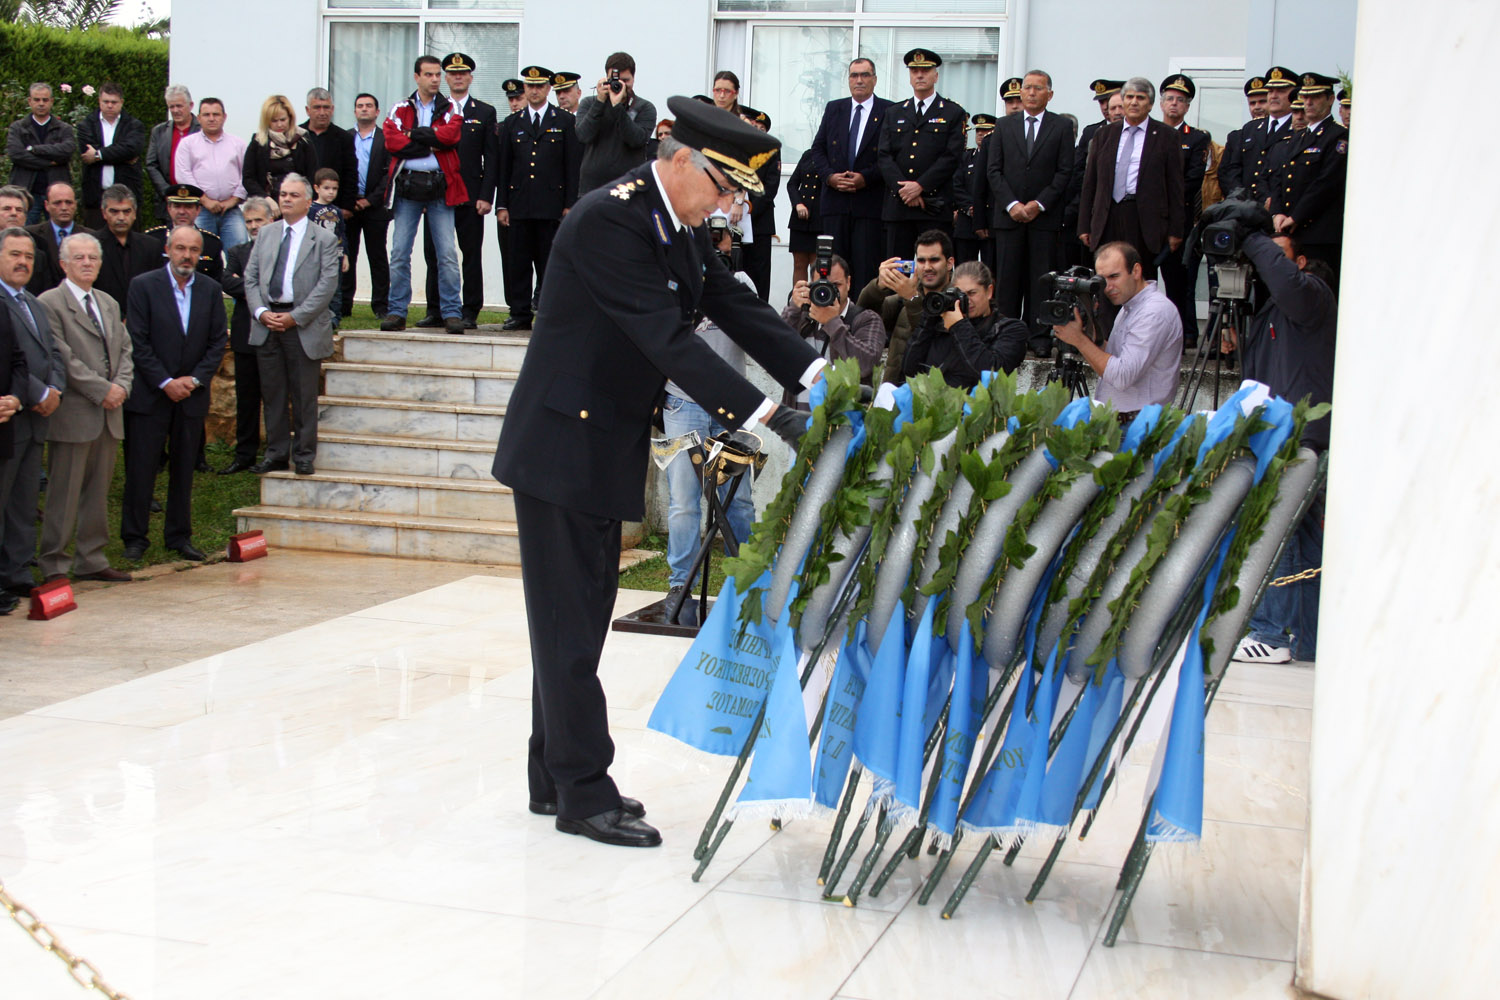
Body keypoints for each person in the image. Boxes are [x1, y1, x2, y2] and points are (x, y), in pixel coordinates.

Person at [491, 98, 824, 849]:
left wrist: (818, 373)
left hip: (594, 445)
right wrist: (771, 417)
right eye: (724, 188)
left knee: (572, 623)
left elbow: (730, 303)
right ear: (680, 162)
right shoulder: (612, 220)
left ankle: (553, 775)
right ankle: (584, 792)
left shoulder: (674, 220)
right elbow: (668, 339)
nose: (728, 207)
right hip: (561, 449)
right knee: (571, 627)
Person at [1214, 216, 1334, 664]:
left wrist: (1251, 236)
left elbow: (1287, 284)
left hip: (1298, 439)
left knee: (1272, 529)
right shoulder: (1274, 312)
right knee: (1301, 541)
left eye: (1275, 257)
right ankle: (1307, 638)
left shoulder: (1313, 295)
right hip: (1285, 438)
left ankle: (1272, 632)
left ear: (1299, 263)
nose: (1266, 264)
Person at [660, 219, 759, 623]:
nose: (716, 246)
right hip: (683, 403)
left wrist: (722, 290)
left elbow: (753, 334)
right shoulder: (672, 280)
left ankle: (748, 584)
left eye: (721, 239)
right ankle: (680, 585)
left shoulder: (741, 281)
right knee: (684, 502)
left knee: (740, 502)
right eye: (708, 239)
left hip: (731, 407)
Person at [120, 225, 226, 562]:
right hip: (151, 395)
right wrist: (166, 382)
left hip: (191, 396)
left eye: (193, 250)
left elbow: (216, 342)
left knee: (183, 470)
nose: (187, 256)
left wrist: (193, 381)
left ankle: (179, 536)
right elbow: (138, 341)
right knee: (141, 468)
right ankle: (135, 537)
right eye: (180, 248)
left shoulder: (210, 290)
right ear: (167, 249)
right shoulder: (143, 286)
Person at [36, 233, 134, 585]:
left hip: (109, 414)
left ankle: (91, 559)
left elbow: (125, 349)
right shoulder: (49, 303)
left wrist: (121, 386)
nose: (87, 263)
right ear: (64, 264)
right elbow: (62, 357)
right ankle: (54, 564)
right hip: (75, 414)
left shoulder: (108, 302)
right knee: (63, 494)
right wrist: (101, 390)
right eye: (79, 257)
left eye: (93, 257)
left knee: (97, 493)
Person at [244, 173, 341, 478]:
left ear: (308, 202)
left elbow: (327, 285)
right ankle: (275, 454)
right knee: (272, 394)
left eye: (293, 195)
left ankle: (303, 454)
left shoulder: (323, 239)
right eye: (283, 194)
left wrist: (295, 317)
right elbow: (251, 278)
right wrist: (261, 312)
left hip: (302, 325)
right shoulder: (266, 234)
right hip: (268, 323)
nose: (286, 199)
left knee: (303, 395)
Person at [984, 70, 1076, 355]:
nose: (1032, 93)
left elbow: (1065, 171)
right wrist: (1012, 204)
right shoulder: (1003, 125)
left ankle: (1039, 336)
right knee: (1008, 280)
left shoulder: (1061, 126)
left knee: (1041, 279)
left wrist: (1039, 204)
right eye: (1027, 88)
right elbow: (993, 170)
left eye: (1038, 88)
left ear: (1050, 94)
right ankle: (1007, 335)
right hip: (1009, 217)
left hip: (1044, 218)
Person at [380, 55, 468, 335]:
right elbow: (392, 141)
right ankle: (396, 311)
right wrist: (430, 141)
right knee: (399, 251)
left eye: (437, 75)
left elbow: (451, 136)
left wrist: (414, 135)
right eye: (428, 74)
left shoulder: (451, 105)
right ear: (416, 77)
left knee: (447, 254)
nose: (434, 79)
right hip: (407, 188)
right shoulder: (400, 107)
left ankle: (452, 312)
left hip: (439, 186)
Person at [0, 226, 66, 600]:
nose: (23, 262)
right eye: (14, 254)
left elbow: (52, 352)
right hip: (10, 415)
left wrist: (54, 389)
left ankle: (17, 571)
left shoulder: (35, 304)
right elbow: (11, 361)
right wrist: (37, 392)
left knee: (24, 500)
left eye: (28, 256)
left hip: (36, 417)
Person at [1051, 241, 1182, 417]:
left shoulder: (1154, 311)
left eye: (1114, 276)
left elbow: (1122, 376)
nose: (1108, 287)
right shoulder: (1130, 306)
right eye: (1102, 279)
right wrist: (1088, 333)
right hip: (1123, 419)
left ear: (1136, 271)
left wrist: (1079, 340)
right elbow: (1115, 356)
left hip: (1138, 424)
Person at [417, 54, 498, 331]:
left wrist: (486, 196)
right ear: (446, 78)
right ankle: (435, 309)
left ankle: (470, 310)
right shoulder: (433, 110)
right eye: (452, 73)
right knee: (434, 253)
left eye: (463, 73)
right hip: (436, 193)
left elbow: (491, 159)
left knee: (470, 254)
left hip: (470, 195)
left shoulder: (484, 112)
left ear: (471, 78)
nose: (458, 77)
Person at [496, 65, 579, 332]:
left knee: (549, 264)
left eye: (539, 86)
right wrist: (502, 204)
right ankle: (520, 313)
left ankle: (549, 313)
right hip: (520, 204)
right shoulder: (512, 123)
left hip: (551, 205)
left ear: (548, 88)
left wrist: (569, 204)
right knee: (518, 263)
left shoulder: (564, 121)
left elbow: (571, 166)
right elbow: (504, 168)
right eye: (530, 86)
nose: (534, 91)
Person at [1078, 78, 1185, 280]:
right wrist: (1084, 224)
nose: (1134, 102)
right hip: (1108, 216)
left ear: (1150, 104)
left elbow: (1175, 187)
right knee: (1106, 277)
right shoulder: (1104, 134)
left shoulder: (1167, 136)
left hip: (1143, 219)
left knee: (1139, 278)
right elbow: (1090, 182)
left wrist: (1175, 230)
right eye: (1129, 97)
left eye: (1140, 98)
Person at [807, 57, 893, 293]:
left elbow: (890, 156)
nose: (859, 80)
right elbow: (818, 149)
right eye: (854, 75)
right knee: (833, 270)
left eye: (865, 75)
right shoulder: (834, 109)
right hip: (835, 203)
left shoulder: (889, 110)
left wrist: (866, 178)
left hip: (869, 205)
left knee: (866, 271)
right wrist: (830, 177)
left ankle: (863, 314)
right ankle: (831, 312)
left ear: (875, 79)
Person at [877, 49, 966, 258]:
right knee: (899, 268)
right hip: (899, 206)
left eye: (925, 71)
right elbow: (884, 155)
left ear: (936, 76)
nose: (919, 75)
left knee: (934, 267)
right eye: (914, 71)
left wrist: (920, 186)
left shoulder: (953, 112)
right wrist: (904, 190)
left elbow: (952, 156)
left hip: (934, 206)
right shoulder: (894, 112)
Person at [1267, 72, 1348, 292]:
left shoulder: (1337, 136)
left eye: (1316, 97)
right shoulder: (1298, 137)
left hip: (1319, 234)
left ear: (1330, 99)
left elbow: (1326, 184)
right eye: (1305, 97)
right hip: (1291, 233)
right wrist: (1277, 212)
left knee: (1319, 292)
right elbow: (1279, 177)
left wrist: (1296, 216)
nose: (1309, 102)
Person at [901, 260, 1026, 388]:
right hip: (933, 398)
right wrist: (929, 319)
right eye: (960, 294)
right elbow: (910, 369)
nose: (966, 300)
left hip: (977, 400)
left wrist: (958, 325)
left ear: (989, 291)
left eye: (972, 293)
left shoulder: (1011, 329)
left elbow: (991, 372)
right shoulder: (941, 324)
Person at [218, 195, 276, 475]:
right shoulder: (237, 252)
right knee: (246, 399)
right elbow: (226, 282)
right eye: (249, 221)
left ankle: (276, 453)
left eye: (258, 220)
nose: (253, 226)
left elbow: (282, 286)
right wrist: (259, 288)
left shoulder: (282, 250)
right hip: (245, 335)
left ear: (271, 220)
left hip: (275, 334)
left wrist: (246, 286)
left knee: (275, 397)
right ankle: (244, 455)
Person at [858, 230, 957, 385]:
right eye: (921, 261)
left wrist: (912, 298)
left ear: (950, 263)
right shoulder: (905, 297)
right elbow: (864, 314)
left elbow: (932, 338)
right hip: (894, 390)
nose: (927, 267)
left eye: (934, 260)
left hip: (932, 392)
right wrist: (878, 286)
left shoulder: (957, 301)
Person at [1157, 74, 1212, 348]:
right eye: (1169, 98)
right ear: (1161, 103)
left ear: (1187, 106)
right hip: (1149, 218)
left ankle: (1182, 335)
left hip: (1179, 218)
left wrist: (1159, 197)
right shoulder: (1151, 133)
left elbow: (1192, 180)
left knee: (1178, 282)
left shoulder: (1197, 138)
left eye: (1180, 100)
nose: (1174, 104)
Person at [781, 250, 886, 394]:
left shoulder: (867, 319)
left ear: (848, 283)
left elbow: (865, 364)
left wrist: (832, 323)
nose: (827, 292)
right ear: (810, 285)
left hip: (845, 408)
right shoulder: (801, 315)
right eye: (821, 285)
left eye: (836, 285)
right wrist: (793, 309)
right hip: (798, 408)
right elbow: (773, 351)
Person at [575, 52, 657, 194]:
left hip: (629, 186)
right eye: (615, 80)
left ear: (634, 79)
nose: (621, 85)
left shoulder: (645, 107)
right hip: (593, 187)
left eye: (626, 80)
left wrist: (617, 107)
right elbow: (583, 135)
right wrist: (600, 102)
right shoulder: (590, 103)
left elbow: (636, 140)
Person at [173, 97, 249, 250]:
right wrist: (205, 200)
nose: (211, 118)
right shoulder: (187, 144)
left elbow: (247, 174)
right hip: (200, 210)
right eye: (206, 115)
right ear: (199, 118)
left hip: (231, 211)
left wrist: (234, 200)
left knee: (239, 254)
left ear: (224, 117)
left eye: (216, 114)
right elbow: (183, 175)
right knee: (201, 254)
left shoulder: (238, 144)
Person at [344, 93, 391, 321]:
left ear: (377, 111)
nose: (364, 109)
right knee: (347, 255)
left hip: (376, 207)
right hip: (349, 207)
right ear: (354, 111)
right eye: (360, 106)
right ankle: (344, 304)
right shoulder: (345, 138)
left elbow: (389, 175)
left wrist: (370, 200)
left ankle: (381, 305)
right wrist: (350, 200)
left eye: (369, 106)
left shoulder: (386, 139)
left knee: (377, 256)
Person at [76, 82, 145, 229]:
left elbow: (131, 149)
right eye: (106, 101)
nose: (109, 105)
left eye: (114, 102)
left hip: (127, 197)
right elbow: (87, 153)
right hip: (95, 198)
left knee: (129, 240)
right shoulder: (86, 125)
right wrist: (121, 157)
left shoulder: (134, 125)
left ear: (121, 102)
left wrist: (98, 155)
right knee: (95, 240)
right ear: (99, 101)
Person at [6, 84, 76, 226]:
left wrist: (35, 150)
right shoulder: (18, 128)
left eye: (45, 100)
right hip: (27, 192)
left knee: (60, 232)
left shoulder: (64, 128)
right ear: (29, 101)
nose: (41, 104)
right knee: (25, 232)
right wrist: (49, 162)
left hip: (57, 194)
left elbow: (67, 150)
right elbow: (16, 154)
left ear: (51, 101)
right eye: (37, 100)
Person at [93, 185, 163, 309]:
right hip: (104, 315)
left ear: (134, 213)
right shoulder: (91, 245)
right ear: (104, 213)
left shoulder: (151, 246)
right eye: (114, 211)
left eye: (126, 211)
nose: (121, 217)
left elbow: (157, 289)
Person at [1238, 67, 1299, 207]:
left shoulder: (1299, 128)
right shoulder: (1251, 128)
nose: (1273, 96)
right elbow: (1233, 168)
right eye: (1270, 91)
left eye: (1281, 91)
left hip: (1277, 207)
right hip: (1244, 206)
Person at [737, 107, 779, 301]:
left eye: (762, 129)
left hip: (759, 221)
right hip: (732, 221)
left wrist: (748, 212)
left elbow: (769, 188)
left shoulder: (771, 152)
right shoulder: (735, 148)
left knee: (759, 274)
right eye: (754, 127)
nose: (757, 131)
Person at [242, 95, 316, 202]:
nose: (280, 124)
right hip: (266, 201)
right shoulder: (258, 142)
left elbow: (312, 174)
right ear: (267, 121)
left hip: (297, 200)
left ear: (290, 118)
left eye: (283, 120)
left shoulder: (302, 139)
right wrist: (266, 198)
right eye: (274, 121)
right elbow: (248, 179)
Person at [299, 88, 357, 222]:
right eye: (317, 108)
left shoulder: (344, 138)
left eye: (326, 107)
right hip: (302, 205)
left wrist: (347, 207)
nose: (322, 113)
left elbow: (351, 173)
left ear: (332, 109)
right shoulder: (297, 136)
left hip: (334, 207)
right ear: (308, 110)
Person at [145, 184, 224, 282]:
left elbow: (216, 282)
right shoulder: (153, 240)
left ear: (198, 210)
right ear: (169, 208)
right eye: (177, 206)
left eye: (188, 207)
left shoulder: (212, 243)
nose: (182, 212)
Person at [145, 85, 199, 223]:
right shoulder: (159, 131)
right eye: (171, 107)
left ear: (191, 105)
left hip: (198, 201)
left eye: (179, 106)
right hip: (168, 202)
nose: (175, 110)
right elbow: (151, 164)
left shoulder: (202, 130)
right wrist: (167, 192)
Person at [24, 182, 88, 295]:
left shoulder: (90, 237)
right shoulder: (30, 235)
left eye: (68, 202)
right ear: (46, 205)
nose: (64, 208)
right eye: (57, 203)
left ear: (75, 204)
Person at [952, 113, 994, 268]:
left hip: (989, 222)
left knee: (990, 270)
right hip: (966, 222)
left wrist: (981, 208)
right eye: (978, 131)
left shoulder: (997, 158)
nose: (981, 134)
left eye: (986, 130)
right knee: (964, 269)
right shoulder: (966, 157)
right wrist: (970, 207)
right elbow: (957, 185)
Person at [1217, 76, 1269, 198]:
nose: (1257, 107)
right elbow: (1226, 172)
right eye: (1252, 103)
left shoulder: (1280, 133)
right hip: (1242, 202)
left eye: (1262, 101)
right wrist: (1239, 197)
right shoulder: (1237, 136)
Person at [309, 168, 349, 324]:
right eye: (326, 188)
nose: (331, 192)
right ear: (316, 188)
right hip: (316, 256)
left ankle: (334, 318)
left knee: (335, 289)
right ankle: (316, 317)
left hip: (335, 257)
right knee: (315, 287)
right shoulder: (310, 210)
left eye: (334, 189)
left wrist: (345, 255)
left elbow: (342, 234)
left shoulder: (337, 211)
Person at [785, 147, 824, 284]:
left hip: (820, 219)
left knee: (817, 265)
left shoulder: (833, 156)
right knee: (799, 263)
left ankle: (815, 296)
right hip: (800, 219)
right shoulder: (808, 155)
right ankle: (798, 296)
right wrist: (797, 204)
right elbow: (792, 184)